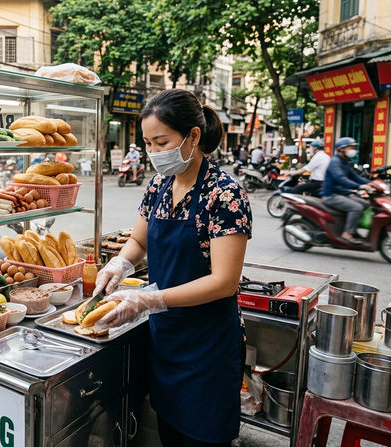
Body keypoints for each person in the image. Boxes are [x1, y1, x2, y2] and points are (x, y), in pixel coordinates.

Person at [92, 89, 252, 446]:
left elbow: (225, 282)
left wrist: (149, 300)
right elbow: (139, 241)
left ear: (193, 136)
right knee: (170, 434)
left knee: (204, 437)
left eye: (161, 142)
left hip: (208, 345)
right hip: (166, 340)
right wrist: (121, 263)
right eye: (148, 143)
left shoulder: (224, 194)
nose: (153, 153)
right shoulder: (158, 186)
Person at [321, 137, 373, 244]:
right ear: (341, 149)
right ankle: (347, 234)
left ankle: (352, 229)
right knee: (356, 207)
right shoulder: (335, 162)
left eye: (354, 148)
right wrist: (359, 187)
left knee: (365, 204)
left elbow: (355, 177)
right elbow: (341, 179)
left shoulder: (345, 162)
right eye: (351, 148)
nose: (353, 150)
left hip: (342, 194)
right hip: (331, 195)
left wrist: (370, 183)